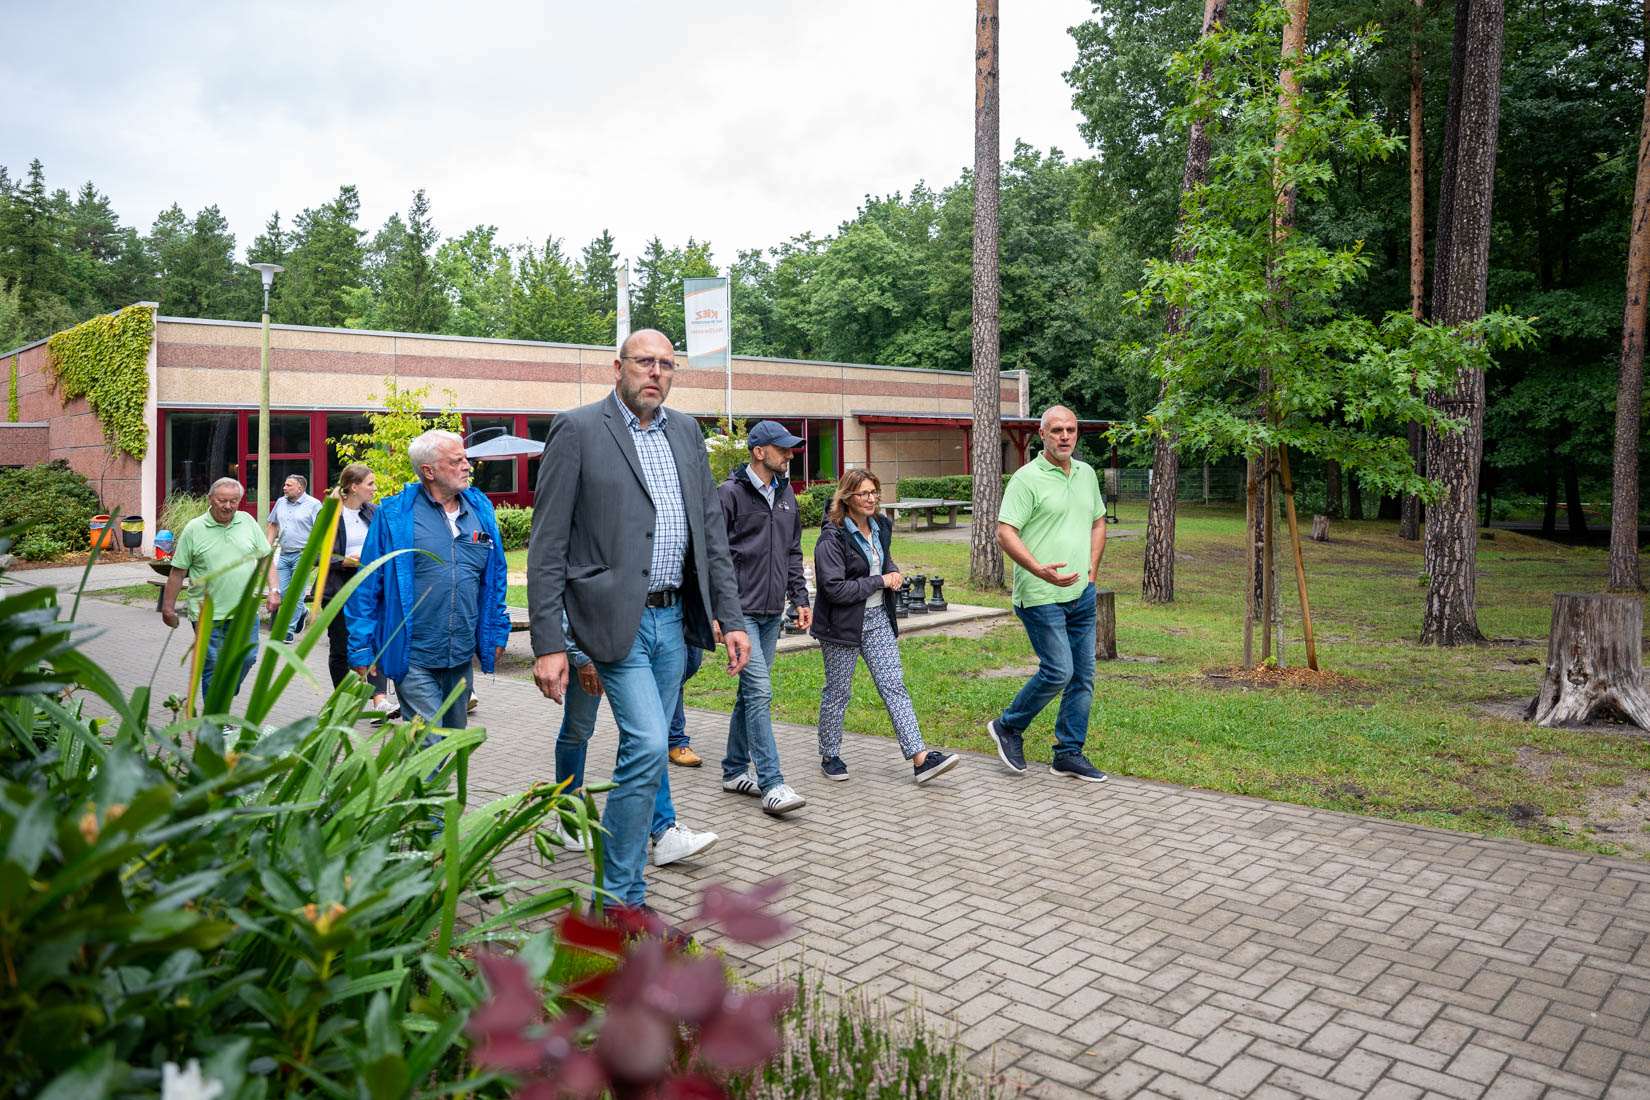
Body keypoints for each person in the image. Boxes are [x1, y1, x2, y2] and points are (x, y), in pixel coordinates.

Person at [527, 328, 749, 917]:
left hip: (673, 621)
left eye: (667, 365)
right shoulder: (576, 430)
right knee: (652, 743)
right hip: (609, 622)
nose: (656, 373)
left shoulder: (685, 431)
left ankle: (621, 897)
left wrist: (730, 616)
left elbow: (711, 534)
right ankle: (620, 902)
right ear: (618, 366)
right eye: (645, 362)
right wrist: (550, 642)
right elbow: (547, 545)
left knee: (643, 748)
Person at [346, 430, 512, 737]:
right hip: (414, 656)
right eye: (457, 460)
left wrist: (498, 630)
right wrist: (360, 648)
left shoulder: (480, 510)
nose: (467, 466)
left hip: (461, 656)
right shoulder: (394, 516)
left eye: (465, 458)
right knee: (429, 742)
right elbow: (367, 585)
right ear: (429, 471)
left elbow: (495, 577)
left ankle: (410, 785)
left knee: (453, 738)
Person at [811, 469, 959, 784]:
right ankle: (830, 754)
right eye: (864, 493)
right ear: (847, 497)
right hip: (842, 626)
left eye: (875, 491)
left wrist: (892, 572)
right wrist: (879, 580)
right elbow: (834, 589)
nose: (871, 498)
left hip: (878, 619)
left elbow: (883, 560)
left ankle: (920, 758)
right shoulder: (832, 537)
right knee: (838, 691)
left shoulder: (880, 526)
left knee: (894, 686)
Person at [985, 405, 1109, 782]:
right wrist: (1039, 569)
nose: (1065, 436)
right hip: (1040, 594)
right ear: (1043, 435)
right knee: (1059, 671)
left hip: (1081, 593)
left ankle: (1068, 753)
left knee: (1083, 677)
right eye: (1057, 430)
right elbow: (1005, 532)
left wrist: (1091, 571)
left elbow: (1098, 520)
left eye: (1071, 429)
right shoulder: (1026, 479)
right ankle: (1008, 726)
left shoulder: (1086, 474)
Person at [555, 611, 719, 866]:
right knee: (578, 730)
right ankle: (568, 812)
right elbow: (572, 580)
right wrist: (579, 653)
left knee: (648, 736)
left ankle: (662, 828)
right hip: (595, 632)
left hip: (652, 629)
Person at [716, 420, 812, 815]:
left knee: (750, 693)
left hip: (772, 612)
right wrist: (719, 614)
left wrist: (800, 596)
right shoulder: (729, 494)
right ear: (759, 451)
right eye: (783, 448)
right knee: (759, 692)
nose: (791, 454)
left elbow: (792, 551)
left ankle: (734, 769)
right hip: (739, 613)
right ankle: (772, 784)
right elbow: (712, 557)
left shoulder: (787, 493)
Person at [160, 477, 270, 708]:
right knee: (214, 663)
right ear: (210, 499)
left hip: (245, 609)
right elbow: (177, 572)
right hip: (206, 613)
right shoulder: (194, 529)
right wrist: (168, 608)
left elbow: (264, 557)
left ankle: (222, 699)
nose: (228, 506)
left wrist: (275, 589)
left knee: (247, 658)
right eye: (222, 500)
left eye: (234, 501)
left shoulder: (247, 522)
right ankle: (215, 720)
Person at [323, 463, 390, 715]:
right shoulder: (330, 514)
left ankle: (378, 700)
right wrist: (344, 561)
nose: (375, 488)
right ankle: (345, 701)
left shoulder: (374, 512)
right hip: (340, 590)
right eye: (370, 483)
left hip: (371, 589)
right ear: (354, 487)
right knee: (341, 648)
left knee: (375, 641)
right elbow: (318, 555)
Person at [264, 474, 322, 641]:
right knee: (282, 593)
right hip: (284, 554)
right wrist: (267, 545)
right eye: (285, 484)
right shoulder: (281, 502)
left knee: (296, 594)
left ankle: (287, 630)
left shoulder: (313, 505)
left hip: (303, 555)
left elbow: (321, 532)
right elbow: (273, 523)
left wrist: (315, 558)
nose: (284, 487)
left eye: (288, 485)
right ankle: (303, 611)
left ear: (300, 488)